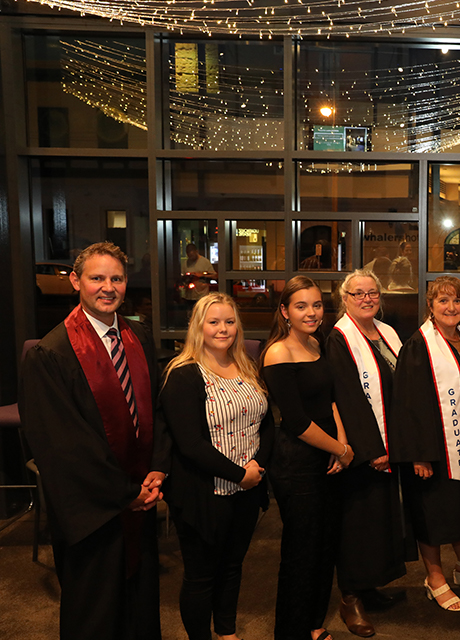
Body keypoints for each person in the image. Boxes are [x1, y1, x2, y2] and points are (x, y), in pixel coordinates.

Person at [19, 241, 170, 640]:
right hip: (92, 510)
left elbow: (155, 409)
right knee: (96, 614)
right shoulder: (51, 354)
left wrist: (156, 467)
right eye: (97, 278)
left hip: (140, 495)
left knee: (139, 604)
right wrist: (124, 492)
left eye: (116, 278)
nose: (108, 287)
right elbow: (63, 446)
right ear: (76, 281)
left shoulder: (136, 336)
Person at [159, 293, 274, 640]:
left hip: (248, 490)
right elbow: (190, 444)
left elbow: (266, 423)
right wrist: (241, 474)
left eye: (229, 321)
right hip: (203, 494)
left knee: (233, 567)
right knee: (201, 575)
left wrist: (257, 467)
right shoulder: (183, 374)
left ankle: (226, 633)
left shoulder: (248, 366)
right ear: (199, 327)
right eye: (214, 322)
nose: (223, 329)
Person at [390, 276, 460, 612]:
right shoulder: (419, 346)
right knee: (433, 513)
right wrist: (419, 454)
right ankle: (434, 577)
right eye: (443, 301)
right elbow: (407, 403)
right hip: (433, 451)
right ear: (430, 307)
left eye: (457, 301)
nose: (451, 308)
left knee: (459, 506)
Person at [260, 276, 354, 640]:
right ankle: (291, 632)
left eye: (317, 304)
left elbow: (331, 399)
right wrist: (339, 449)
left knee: (324, 547)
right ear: (285, 311)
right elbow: (297, 421)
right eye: (301, 306)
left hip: (329, 457)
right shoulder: (279, 352)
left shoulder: (317, 343)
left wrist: (341, 445)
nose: (312, 312)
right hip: (297, 463)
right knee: (301, 553)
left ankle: (314, 623)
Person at [326, 269, 409, 636]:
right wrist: (373, 448)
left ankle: (371, 587)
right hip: (363, 451)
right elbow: (347, 397)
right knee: (356, 524)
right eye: (357, 294)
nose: (366, 299)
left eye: (372, 293)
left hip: (390, 444)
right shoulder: (339, 338)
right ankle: (350, 598)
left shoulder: (386, 332)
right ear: (344, 299)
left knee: (380, 522)